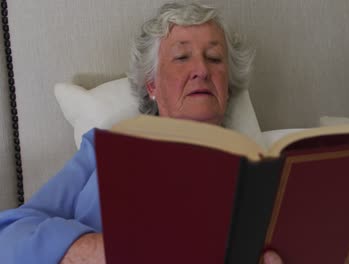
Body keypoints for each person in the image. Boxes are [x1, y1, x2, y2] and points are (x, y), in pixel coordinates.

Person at [0, 2, 284, 264]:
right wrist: (95, 251)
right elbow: (10, 232)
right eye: (182, 57)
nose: (201, 69)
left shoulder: (264, 171)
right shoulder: (101, 149)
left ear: (229, 85)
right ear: (152, 85)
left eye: (214, 58)